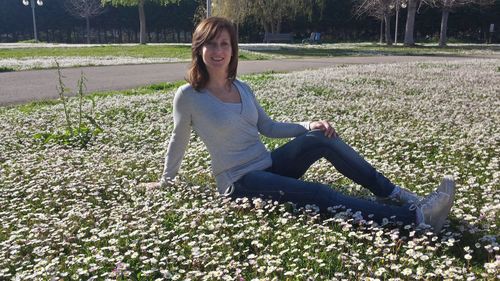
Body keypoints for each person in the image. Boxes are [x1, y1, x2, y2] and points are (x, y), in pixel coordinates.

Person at [154, 17, 455, 234]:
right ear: (199, 49)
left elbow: (268, 127)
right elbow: (177, 140)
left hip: (267, 165)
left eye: (224, 44)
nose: (218, 51)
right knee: (318, 193)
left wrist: (308, 125)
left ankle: (397, 193)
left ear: (233, 50)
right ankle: (416, 218)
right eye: (210, 44)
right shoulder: (189, 96)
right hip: (240, 182)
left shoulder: (242, 87)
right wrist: (166, 180)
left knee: (319, 138)